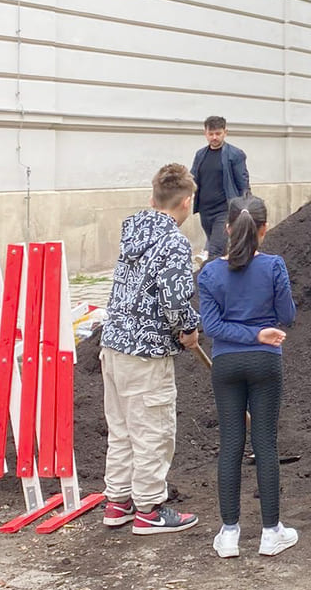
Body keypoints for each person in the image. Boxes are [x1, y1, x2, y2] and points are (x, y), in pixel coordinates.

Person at [99, 162, 201, 534]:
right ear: (187, 202)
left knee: (123, 429)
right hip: (145, 353)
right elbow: (175, 301)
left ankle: (118, 502)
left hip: (112, 345)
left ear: (152, 198)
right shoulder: (174, 242)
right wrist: (189, 329)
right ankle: (149, 509)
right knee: (153, 431)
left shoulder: (132, 229)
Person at [197, 195, 298, 560]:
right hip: (266, 362)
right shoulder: (274, 266)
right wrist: (259, 332)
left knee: (231, 444)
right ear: (264, 230)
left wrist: (243, 333)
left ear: (226, 229)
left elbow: (211, 326)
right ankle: (271, 533)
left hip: (225, 364)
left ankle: (229, 534)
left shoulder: (209, 273)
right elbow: (287, 315)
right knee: (265, 444)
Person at [191, 117, 250, 262]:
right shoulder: (200, 155)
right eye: (211, 134)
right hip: (205, 211)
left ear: (225, 132)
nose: (214, 137)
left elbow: (243, 183)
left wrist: (246, 207)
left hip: (225, 210)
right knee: (219, 247)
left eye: (218, 133)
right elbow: (192, 178)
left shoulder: (235, 154)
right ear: (205, 133)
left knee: (215, 250)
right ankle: (225, 274)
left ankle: (207, 277)